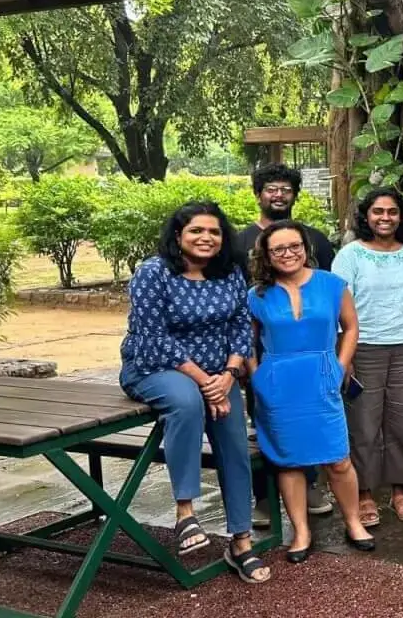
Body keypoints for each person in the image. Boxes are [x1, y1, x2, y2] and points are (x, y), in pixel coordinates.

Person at [119, 202, 270, 584]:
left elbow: (239, 327)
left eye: (214, 232)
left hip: (220, 374)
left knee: (235, 442)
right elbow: (153, 338)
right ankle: (185, 511)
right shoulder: (153, 273)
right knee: (186, 402)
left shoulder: (230, 273)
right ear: (177, 236)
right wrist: (206, 381)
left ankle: (240, 540)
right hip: (157, 368)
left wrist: (230, 374)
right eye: (196, 231)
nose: (206, 238)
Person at [245, 221, 375, 562]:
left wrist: (340, 365)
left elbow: (351, 327)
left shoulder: (332, 284)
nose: (287, 254)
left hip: (322, 376)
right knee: (289, 461)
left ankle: (354, 522)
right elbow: (246, 343)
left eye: (294, 246)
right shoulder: (256, 294)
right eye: (278, 249)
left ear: (306, 248)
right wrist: (257, 377)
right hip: (277, 383)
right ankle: (301, 531)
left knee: (338, 458)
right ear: (267, 255)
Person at [234, 163, 334, 527]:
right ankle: (263, 495)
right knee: (265, 421)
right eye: (270, 189)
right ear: (258, 194)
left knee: (308, 417)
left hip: (310, 355)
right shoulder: (238, 242)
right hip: (262, 356)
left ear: (295, 195)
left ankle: (309, 485)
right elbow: (235, 302)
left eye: (285, 189)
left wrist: (338, 357)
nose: (278, 195)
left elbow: (332, 296)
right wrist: (246, 363)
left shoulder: (315, 239)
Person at [332, 186, 403, 529]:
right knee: (364, 425)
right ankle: (366, 494)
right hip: (364, 348)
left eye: (391, 212)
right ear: (366, 216)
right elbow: (339, 308)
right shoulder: (351, 255)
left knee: (401, 423)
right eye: (378, 212)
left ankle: (400, 491)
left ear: (401, 217)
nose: (385, 218)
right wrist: (347, 353)